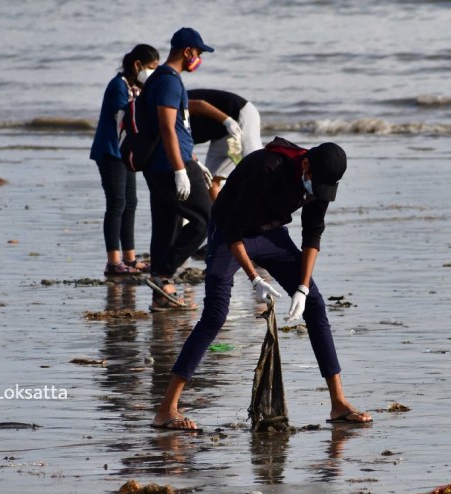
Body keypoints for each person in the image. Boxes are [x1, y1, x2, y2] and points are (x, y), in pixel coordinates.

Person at [151, 137, 372, 430]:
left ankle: (338, 404)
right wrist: (254, 278)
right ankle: (167, 409)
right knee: (215, 315)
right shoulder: (265, 168)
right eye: (315, 183)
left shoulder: (321, 182)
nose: (317, 192)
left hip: (270, 235)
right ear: (305, 165)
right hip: (229, 233)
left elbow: (312, 235)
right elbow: (233, 230)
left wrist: (303, 287)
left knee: (316, 305)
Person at [140, 28, 242, 311]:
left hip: (165, 164)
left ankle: (161, 292)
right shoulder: (169, 82)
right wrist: (180, 169)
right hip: (169, 165)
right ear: (187, 52)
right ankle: (163, 275)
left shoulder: (163, 80)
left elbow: (178, 127)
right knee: (207, 218)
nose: (198, 59)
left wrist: (193, 160)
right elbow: (166, 127)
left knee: (167, 223)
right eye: (197, 54)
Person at [90, 44, 159, 276]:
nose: (153, 72)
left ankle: (130, 258)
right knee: (117, 202)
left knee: (131, 202)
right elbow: (124, 118)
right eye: (151, 67)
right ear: (137, 65)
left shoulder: (139, 87)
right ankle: (113, 261)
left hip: (127, 152)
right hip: (111, 151)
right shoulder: (118, 86)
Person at [189, 89, 263, 201]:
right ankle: (218, 217)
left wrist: (227, 120)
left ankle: (266, 213)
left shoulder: (166, 104)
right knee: (210, 181)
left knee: (255, 170)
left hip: (239, 114)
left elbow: (199, 104)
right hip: (219, 133)